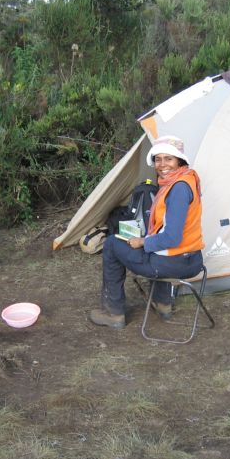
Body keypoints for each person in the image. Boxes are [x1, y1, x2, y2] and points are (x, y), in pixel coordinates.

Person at [90, 135, 204, 328]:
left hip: (174, 263)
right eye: (158, 159)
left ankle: (114, 313)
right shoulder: (187, 179)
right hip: (192, 259)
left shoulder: (178, 189)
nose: (162, 164)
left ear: (179, 161)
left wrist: (142, 242)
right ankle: (163, 304)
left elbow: (172, 237)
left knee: (110, 244)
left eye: (168, 159)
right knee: (153, 247)